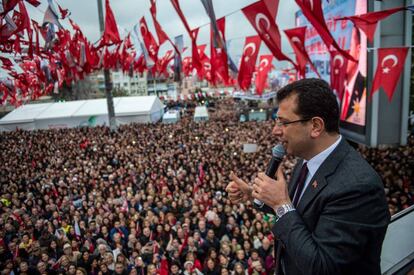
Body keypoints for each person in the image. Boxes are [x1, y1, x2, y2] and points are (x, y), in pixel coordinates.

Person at [226, 78, 390, 275]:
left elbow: (323, 266)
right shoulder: (306, 160)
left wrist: (281, 204)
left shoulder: (358, 187)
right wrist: (252, 194)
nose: (275, 131)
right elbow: (304, 212)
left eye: (284, 122)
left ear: (315, 126)